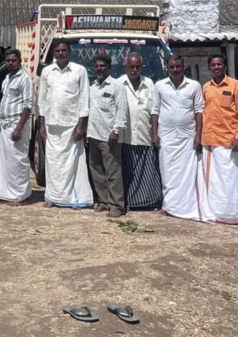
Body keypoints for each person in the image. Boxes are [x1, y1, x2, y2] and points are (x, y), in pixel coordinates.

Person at [152, 55, 213, 223]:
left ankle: (186, 206)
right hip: (167, 137)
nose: (175, 70)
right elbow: (155, 111)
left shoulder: (193, 86)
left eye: (178, 67)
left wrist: (198, 135)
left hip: (187, 137)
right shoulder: (160, 86)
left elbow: (199, 111)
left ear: (183, 66)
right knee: (168, 172)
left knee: (186, 174)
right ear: (167, 68)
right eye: (172, 67)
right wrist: (154, 133)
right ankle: (169, 206)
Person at [38, 41, 91, 208]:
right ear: (54, 53)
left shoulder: (79, 71)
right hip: (51, 124)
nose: (60, 53)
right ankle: (53, 197)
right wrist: (41, 124)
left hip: (72, 125)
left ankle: (74, 198)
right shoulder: (47, 71)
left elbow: (84, 99)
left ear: (70, 52)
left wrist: (81, 125)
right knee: (53, 163)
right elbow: (42, 100)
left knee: (73, 163)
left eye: (64, 50)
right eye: (58, 51)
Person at [201, 54, 238, 225]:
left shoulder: (236, 86)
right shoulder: (206, 87)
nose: (216, 67)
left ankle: (230, 215)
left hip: (229, 142)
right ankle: (214, 213)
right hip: (209, 142)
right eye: (213, 65)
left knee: (230, 180)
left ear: (225, 66)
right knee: (213, 181)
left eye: (219, 64)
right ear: (209, 67)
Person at [118, 53, 163, 210]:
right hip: (125, 137)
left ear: (141, 67)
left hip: (145, 134)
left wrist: (155, 133)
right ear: (126, 66)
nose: (134, 69)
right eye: (131, 66)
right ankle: (128, 202)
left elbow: (155, 110)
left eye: (137, 66)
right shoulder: (119, 84)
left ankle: (147, 202)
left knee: (147, 172)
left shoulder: (149, 83)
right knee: (127, 171)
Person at [0, 49, 35, 206]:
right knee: (7, 162)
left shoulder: (25, 79)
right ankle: (8, 193)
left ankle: (20, 196)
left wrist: (18, 128)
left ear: (20, 61)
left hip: (16, 125)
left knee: (18, 161)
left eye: (13, 60)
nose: (10, 63)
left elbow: (28, 106)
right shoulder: (7, 78)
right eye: (8, 60)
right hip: (5, 124)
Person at [87, 54, 129, 218]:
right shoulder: (93, 87)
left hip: (109, 136)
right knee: (97, 171)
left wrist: (116, 131)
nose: (99, 69)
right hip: (93, 135)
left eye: (102, 66)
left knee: (112, 172)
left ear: (109, 68)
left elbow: (122, 110)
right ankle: (103, 201)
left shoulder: (117, 87)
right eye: (97, 66)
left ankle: (117, 205)